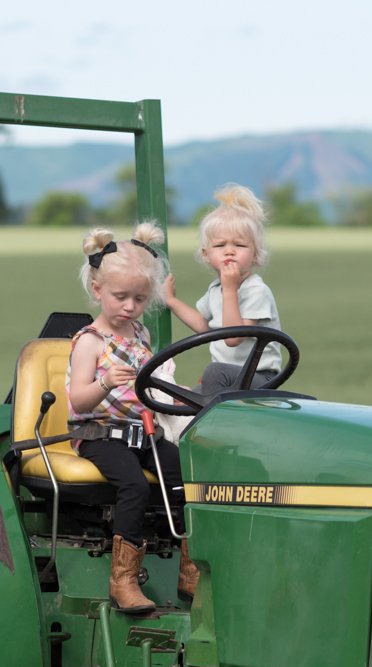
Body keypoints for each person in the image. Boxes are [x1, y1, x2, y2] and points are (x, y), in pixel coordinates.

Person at [66, 221, 198, 615]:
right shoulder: (90, 341)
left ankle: (190, 571)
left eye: (140, 299)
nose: (130, 307)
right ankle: (123, 579)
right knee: (134, 488)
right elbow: (78, 399)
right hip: (99, 434)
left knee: (184, 478)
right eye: (121, 297)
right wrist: (105, 383)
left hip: (141, 431)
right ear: (97, 290)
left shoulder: (139, 336)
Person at [162, 183, 282, 397]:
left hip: (259, 376)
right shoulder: (216, 289)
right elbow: (204, 326)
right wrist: (172, 301)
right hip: (229, 376)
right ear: (206, 254)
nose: (229, 251)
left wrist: (230, 289)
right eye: (220, 246)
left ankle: (216, 427)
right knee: (182, 397)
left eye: (239, 245)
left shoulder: (256, 290)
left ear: (255, 253)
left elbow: (233, 337)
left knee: (213, 373)